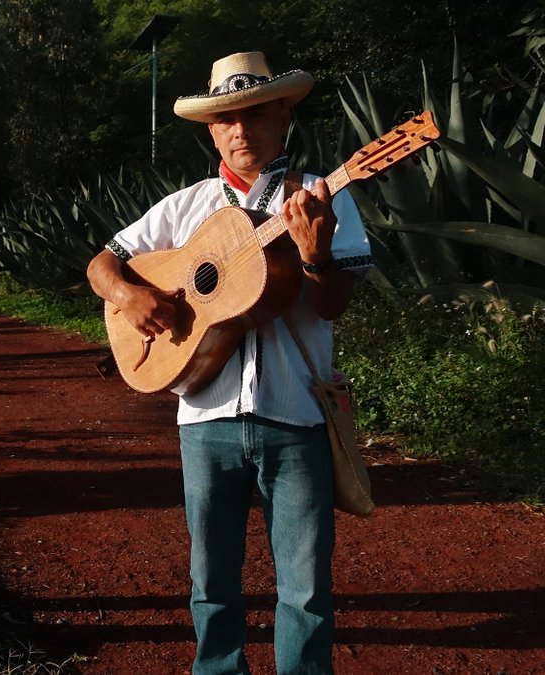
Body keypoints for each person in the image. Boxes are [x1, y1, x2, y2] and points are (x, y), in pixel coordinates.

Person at [87, 52, 373, 674]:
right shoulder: (183, 208)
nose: (240, 130)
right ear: (211, 131)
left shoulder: (320, 196)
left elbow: (332, 306)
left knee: (304, 587)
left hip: (296, 414)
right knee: (211, 579)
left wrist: (316, 256)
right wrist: (130, 294)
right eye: (226, 119)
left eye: (253, 114)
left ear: (281, 117)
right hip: (205, 415)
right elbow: (101, 264)